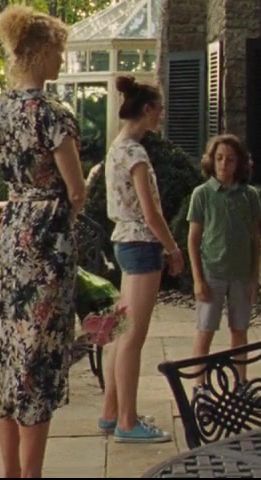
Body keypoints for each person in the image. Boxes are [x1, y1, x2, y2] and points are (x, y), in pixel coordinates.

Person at [0, 5, 88, 479]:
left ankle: (11, 473)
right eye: (59, 52)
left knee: (12, 354)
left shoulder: (1, 109)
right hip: (47, 240)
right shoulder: (52, 113)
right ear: (41, 52)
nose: (62, 61)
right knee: (39, 358)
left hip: (13, 235)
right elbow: (75, 190)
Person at [96, 75, 182, 444]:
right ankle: (128, 422)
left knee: (120, 331)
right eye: (159, 109)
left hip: (124, 243)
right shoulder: (136, 153)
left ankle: (111, 412)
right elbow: (152, 212)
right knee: (133, 336)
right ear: (146, 110)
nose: (161, 116)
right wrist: (173, 249)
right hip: (142, 245)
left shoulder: (117, 147)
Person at [187, 133, 261, 359]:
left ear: (238, 163)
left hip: (240, 274)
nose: (223, 164)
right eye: (219, 158)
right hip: (212, 274)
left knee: (239, 331)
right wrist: (198, 279)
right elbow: (193, 239)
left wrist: (253, 278)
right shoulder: (202, 194)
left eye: (230, 159)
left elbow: (255, 239)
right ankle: (199, 384)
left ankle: (241, 383)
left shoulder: (249, 196)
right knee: (205, 331)